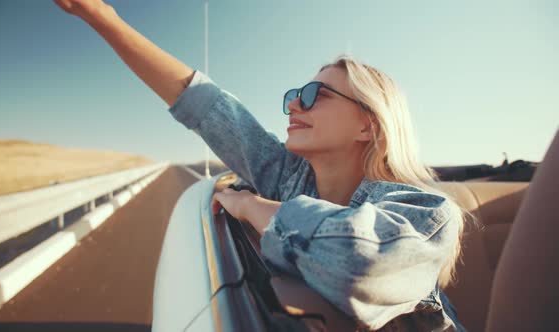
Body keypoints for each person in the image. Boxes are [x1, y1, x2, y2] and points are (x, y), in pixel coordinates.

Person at [55, 1, 469, 330]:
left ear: (368, 124)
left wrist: (253, 208)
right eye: (294, 93)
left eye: (314, 94)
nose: (292, 103)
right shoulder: (288, 178)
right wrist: (101, 15)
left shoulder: (427, 212)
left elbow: (360, 263)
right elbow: (207, 106)